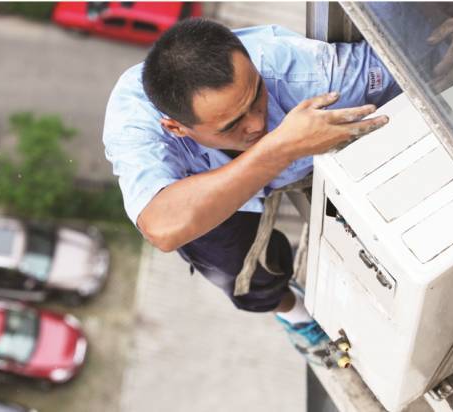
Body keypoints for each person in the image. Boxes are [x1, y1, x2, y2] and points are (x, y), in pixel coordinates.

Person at [103, 18, 401, 364]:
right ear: (176, 128)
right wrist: (280, 147)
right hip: (206, 186)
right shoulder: (134, 127)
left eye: (256, 95)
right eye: (233, 125)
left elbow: (424, 65)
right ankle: (295, 314)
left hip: (312, 155)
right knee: (235, 270)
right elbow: (162, 227)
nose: (257, 123)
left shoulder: (298, 69)